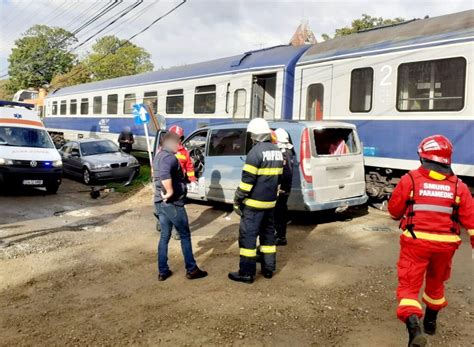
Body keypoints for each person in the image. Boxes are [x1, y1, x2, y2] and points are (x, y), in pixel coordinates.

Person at [388, 135, 474, 347]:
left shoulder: (410, 179)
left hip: (415, 243)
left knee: (409, 286)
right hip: (446, 245)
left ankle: (414, 330)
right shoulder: (459, 186)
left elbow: (394, 211)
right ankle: (430, 322)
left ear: (423, 157)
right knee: (436, 281)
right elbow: (471, 220)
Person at [229, 118, 284, 284]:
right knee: (268, 237)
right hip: (270, 203)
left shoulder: (254, 153)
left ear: (255, 135)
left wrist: (237, 199)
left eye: (251, 135)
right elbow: (279, 178)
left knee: (248, 239)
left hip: (253, 205)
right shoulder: (277, 151)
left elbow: (247, 182)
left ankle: (246, 273)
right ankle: (268, 269)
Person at [153, 131, 208, 281]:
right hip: (173, 204)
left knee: (164, 236)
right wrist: (170, 191)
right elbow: (164, 174)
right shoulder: (169, 158)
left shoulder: (159, 155)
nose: (180, 145)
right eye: (178, 142)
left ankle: (163, 271)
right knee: (185, 235)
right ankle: (192, 269)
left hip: (160, 202)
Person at [274, 128, 294, 246]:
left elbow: (285, 172)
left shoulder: (283, 153)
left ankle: (281, 237)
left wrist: (279, 186)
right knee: (280, 211)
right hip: (285, 187)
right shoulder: (289, 151)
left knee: (279, 212)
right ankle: (280, 234)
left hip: (282, 188)